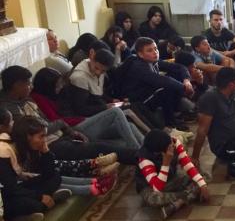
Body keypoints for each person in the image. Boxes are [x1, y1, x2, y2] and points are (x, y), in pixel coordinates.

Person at [0, 66, 139, 164]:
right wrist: (63, 125)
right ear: (17, 85)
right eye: (27, 84)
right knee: (100, 148)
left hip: (61, 135)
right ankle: (142, 157)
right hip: (49, 145)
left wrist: (69, 131)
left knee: (119, 138)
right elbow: (36, 130)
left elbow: (46, 120)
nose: (30, 87)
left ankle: (147, 152)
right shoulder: (8, 109)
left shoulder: (27, 98)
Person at [0, 115, 71, 220]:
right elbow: (10, 189)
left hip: (14, 190)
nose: (44, 140)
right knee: (29, 204)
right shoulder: (3, 150)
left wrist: (46, 152)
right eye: (41, 136)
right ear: (28, 136)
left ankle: (40, 205)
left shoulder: (25, 146)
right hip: (4, 196)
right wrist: (40, 196)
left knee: (55, 177)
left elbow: (48, 173)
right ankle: (25, 215)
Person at [117, 37, 193, 131]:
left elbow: (180, 67)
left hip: (149, 93)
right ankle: (171, 123)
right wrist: (184, 88)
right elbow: (162, 81)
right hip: (139, 100)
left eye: (155, 48)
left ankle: (177, 114)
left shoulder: (153, 61)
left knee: (175, 74)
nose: (155, 52)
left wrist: (187, 81)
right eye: (149, 50)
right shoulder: (138, 66)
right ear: (140, 54)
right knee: (167, 88)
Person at [136, 130, 209, 218]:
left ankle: (177, 204)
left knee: (204, 177)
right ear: (160, 152)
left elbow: (188, 166)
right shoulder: (144, 158)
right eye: (170, 146)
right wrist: (166, 163)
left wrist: (202, 185)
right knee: (154, 199)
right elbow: (157, 188)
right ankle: (186, 196)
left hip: (172, 180)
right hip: (150, 187)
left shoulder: (173, 142)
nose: (173, 146)